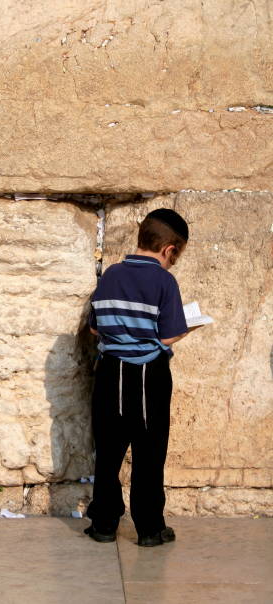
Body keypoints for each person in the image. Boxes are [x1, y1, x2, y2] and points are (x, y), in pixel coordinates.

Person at [84, 207, 196, 547]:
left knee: (108, 451)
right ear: (169, 251)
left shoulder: (112, 276)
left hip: (109, 374)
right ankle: (149, 528)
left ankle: (104, 523)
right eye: (174, 258)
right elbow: (166, 336)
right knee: (149, 454)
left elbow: (93, 326)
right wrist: (188, 328)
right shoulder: (164, 281)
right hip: (149, 375)